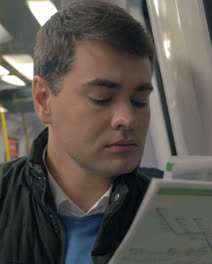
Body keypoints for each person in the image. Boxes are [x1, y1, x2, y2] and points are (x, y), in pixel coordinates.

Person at [0, 1, 161, 263]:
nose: (128, 119)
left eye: (140, 101)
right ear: (43, 99)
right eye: (102, 98)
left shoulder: (172, 214)